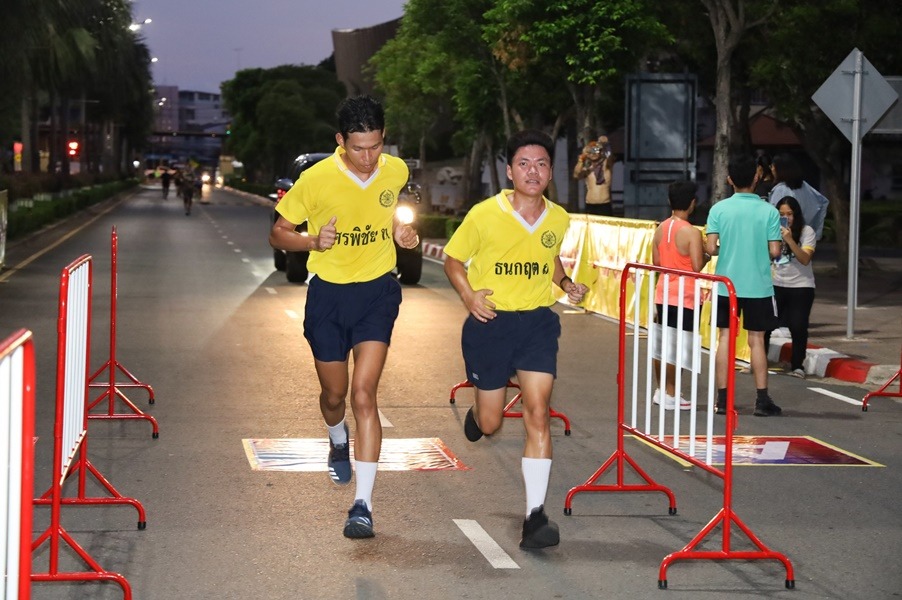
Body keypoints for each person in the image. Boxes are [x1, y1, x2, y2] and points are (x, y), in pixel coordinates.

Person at [269, 95, 416, 539]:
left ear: (384, 138)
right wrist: (313, 241)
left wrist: (402, 231)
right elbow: (278, 233)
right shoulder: (315, 180)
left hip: (377, 292)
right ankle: (337, 438)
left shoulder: (396, 170)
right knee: (334, 395)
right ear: (340, 141)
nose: (368, 158)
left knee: (364, 394)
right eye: (358, 148)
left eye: (375, 146)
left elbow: (390, 213)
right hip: (328, 296)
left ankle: (362, 506)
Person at [443, 129, 589, 549]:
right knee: (491, 424)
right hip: (491, 323)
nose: (533, 171)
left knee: (538, 412)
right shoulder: (484, 214)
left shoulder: (558, 218)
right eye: (524, 164)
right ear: (509, 171)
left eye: (541, 164)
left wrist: (565, 283)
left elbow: (550, 257)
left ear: (550, 172)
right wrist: (469, 296)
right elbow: (453, 260)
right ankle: (479, 416)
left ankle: (535, 517)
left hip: (537, 324)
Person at [705, 155, 783, 417]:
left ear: (729, 180)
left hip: (726, 285)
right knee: (757, 340)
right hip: (758, 285)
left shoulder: (719, 209)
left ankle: (723, 400)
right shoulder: (769, 211)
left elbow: (710, 248)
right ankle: (762, 400)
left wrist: (727, 247)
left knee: (725, 338)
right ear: (756, 177)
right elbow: (775, 251)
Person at [652, 180, 710, 410]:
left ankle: (662, 390)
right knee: (680, 345)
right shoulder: (691, 232)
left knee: (662, 343)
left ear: (670, 200)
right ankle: (672, 393)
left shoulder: (660, 228)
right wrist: (707, 254)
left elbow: (656, 262)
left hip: (663, 291)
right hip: (685, 295)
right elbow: (696, 265)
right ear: (692, 203)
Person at [765, 196, 817, 379]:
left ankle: (797, 365)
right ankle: (760, 361)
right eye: (781, 214)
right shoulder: (772, 230)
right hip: (776, 284)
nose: (786, 218)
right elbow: (769, 255)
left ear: (796, 214)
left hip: (801, 286)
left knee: (798, 326)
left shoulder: (806, 231)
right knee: (766, 324)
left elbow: (805, 259)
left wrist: (789, 239)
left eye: (789, 214)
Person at [768, 153, 830, 240]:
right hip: (805, 237)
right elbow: (823, 202)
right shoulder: (805, 186)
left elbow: (774, 217)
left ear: (780, 169)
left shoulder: (780, 190)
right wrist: (816, 232)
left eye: (773, 166)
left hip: (787, 238)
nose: (772, 169)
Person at [573, 135, 615, 216]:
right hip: (590, 206)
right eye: (591, 151)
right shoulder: (587, 170)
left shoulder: (606, 166)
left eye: (596, 150)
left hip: (604, 205)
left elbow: (610, 157)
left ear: (600, 152)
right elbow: (576, 174)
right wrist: (582, 157)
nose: (593, 153)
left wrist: (606, 144)